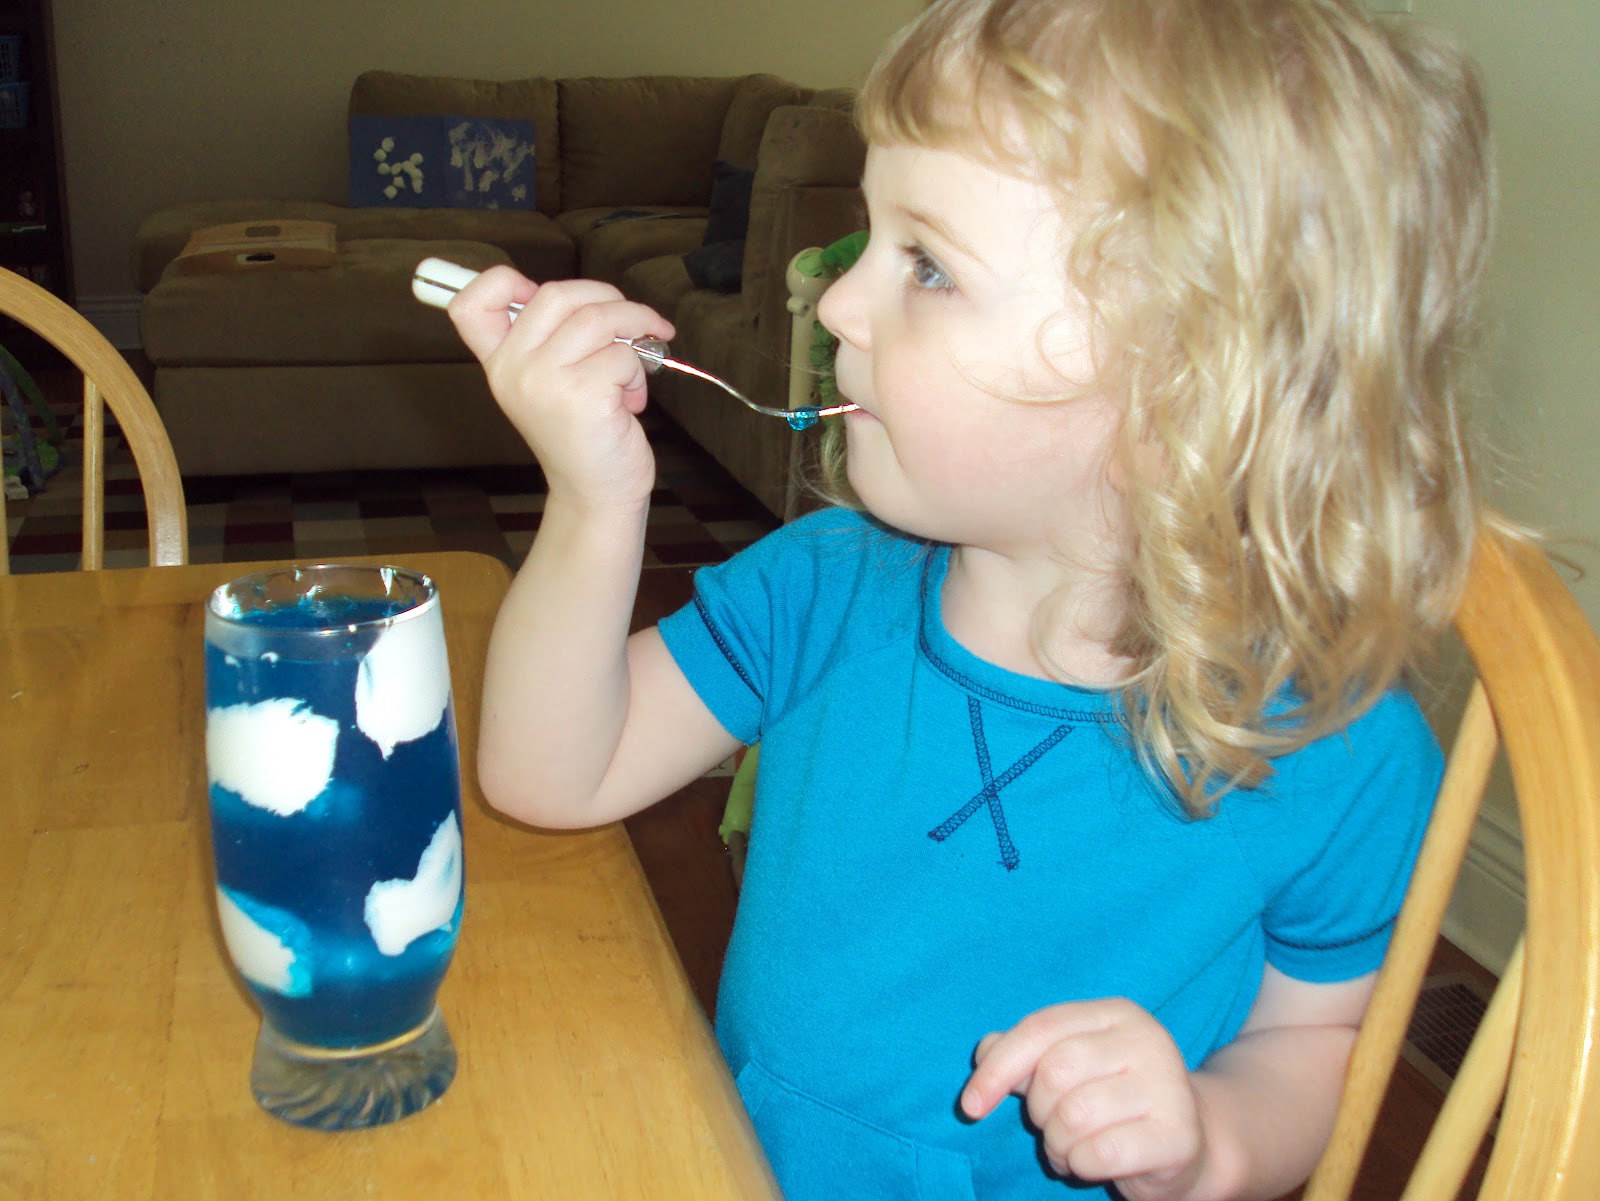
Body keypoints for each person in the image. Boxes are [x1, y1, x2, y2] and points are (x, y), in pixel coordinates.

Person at [446, 0, 1501, 1195]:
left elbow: (1315, 1043)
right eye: (874, 237)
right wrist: (596, 501)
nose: (837, 304)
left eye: (929, 266)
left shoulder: (1335, 749)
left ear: (1185, 394)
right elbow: (550, 775)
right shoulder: (823, 587)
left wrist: (1210, 1134)